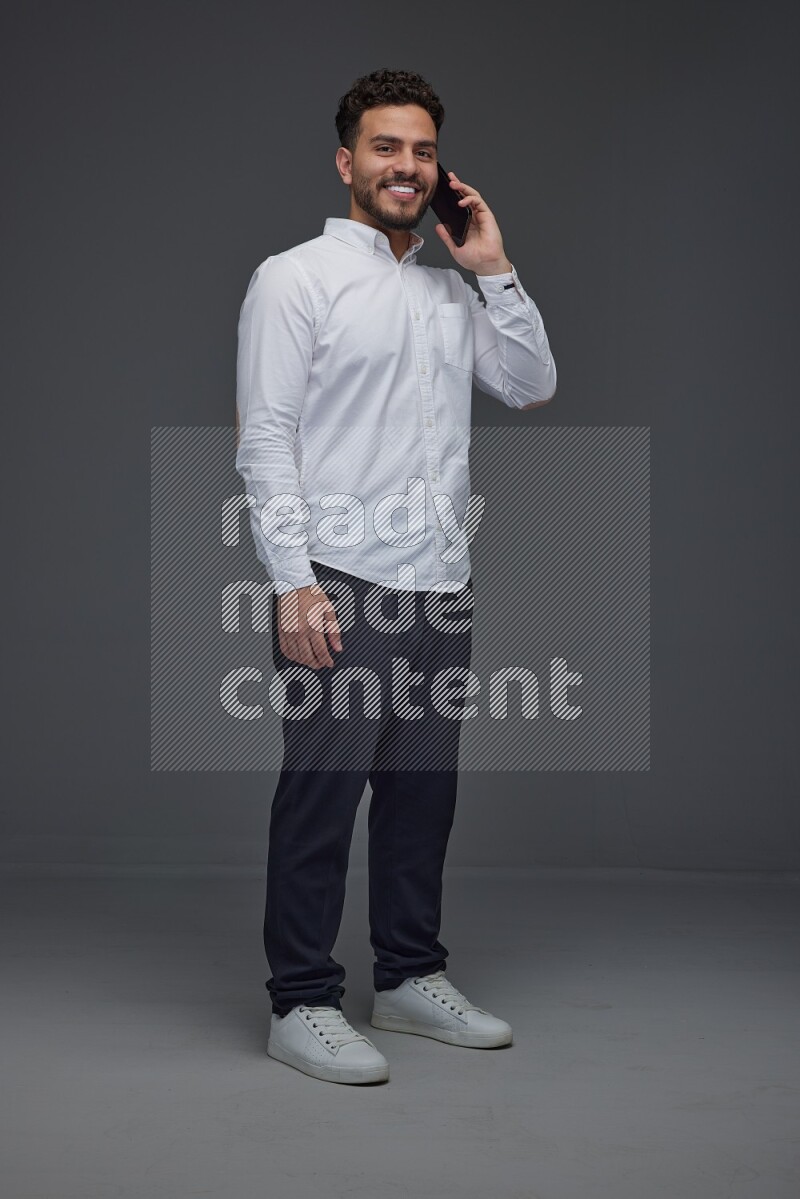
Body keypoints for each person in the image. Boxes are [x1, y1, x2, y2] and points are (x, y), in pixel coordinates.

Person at [235, 67, 557, 1085]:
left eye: (420, 150)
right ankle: (301, 999)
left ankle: (409, 975)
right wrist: (292, 582)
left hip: (438, 580)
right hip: (338, 576)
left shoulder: (448, 289)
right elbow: (266, 439)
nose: (405, 166)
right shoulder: (293, 278)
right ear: (346, 162)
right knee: (321, 796)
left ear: (438, 165)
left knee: (422, 795)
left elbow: (529, 385)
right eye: (384, 147)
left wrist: (493, 267)